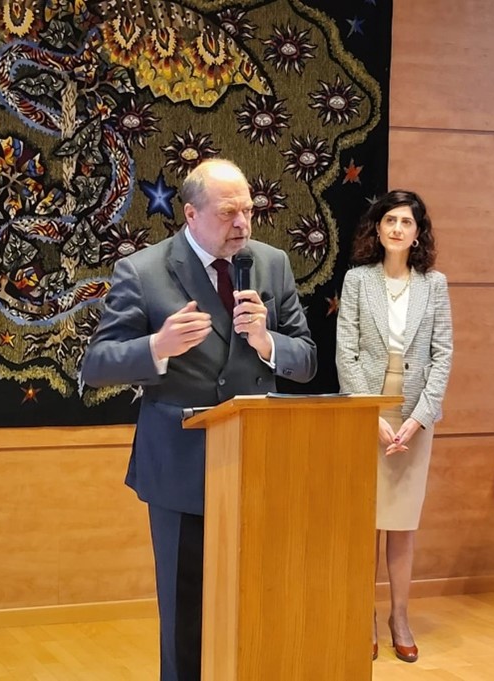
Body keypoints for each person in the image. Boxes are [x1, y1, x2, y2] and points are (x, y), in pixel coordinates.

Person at [82, 158, 317, 681]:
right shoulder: (143, 271)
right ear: (190, 214)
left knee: (259, 602)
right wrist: (156, 348)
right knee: (186, 612)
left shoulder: (271, 264)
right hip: (181, 468)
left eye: (249, 211)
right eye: (229, 212)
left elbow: (306, 360)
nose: (243, 225)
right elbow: (96, 365)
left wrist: (267, 342)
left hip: (260, 463)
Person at [335, 189, 453, 663]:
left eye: (407, 222)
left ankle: (399, 616)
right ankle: (362, 616)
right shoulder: (358, 280)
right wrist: (369, 414)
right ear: (378, 229)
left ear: (418, 232)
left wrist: (420, 419)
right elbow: (346, 351)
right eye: (391, 221)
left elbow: (443, 356)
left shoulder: (435, 284)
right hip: (367, 407)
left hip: (415, 416)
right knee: (366, 523)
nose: (398, 229)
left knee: (402, 524)